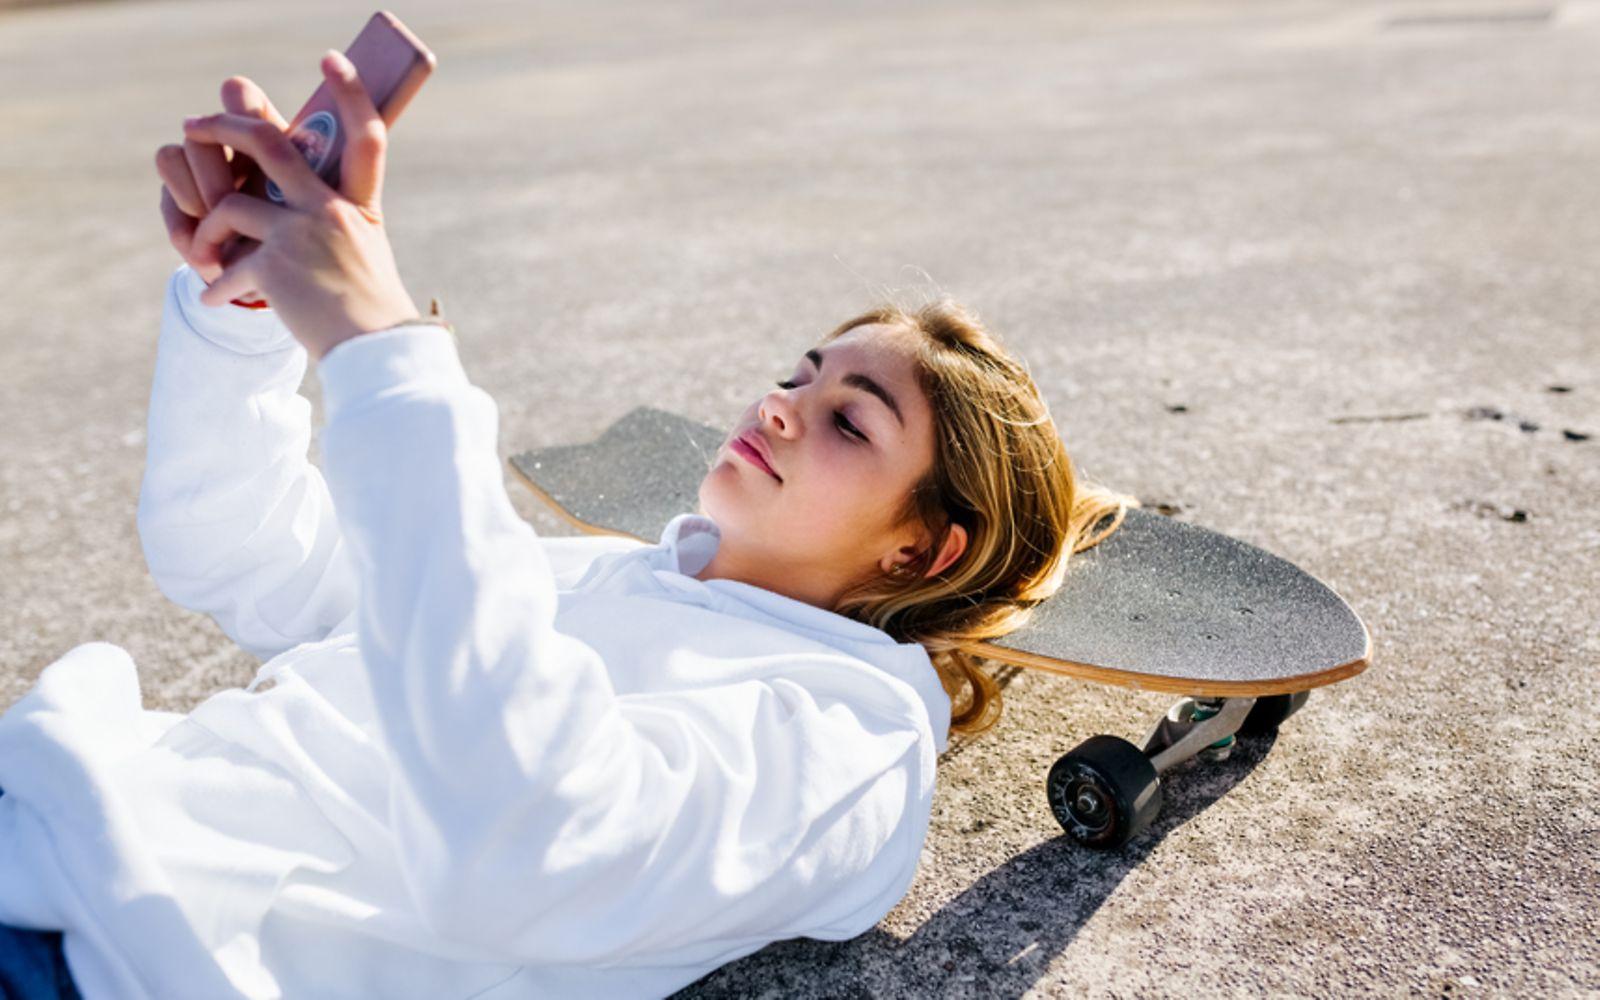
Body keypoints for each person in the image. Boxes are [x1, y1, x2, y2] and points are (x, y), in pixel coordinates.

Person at [0, 51, 1132, 999]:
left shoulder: (850, 742)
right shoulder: (603, 576)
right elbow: (244, 556)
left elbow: (533, 845)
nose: (778, 403)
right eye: (799, 371)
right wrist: (245, 310)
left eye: (849, 421)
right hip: (49, 813)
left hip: (116, 953)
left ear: (922, 548)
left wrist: (384, 351)